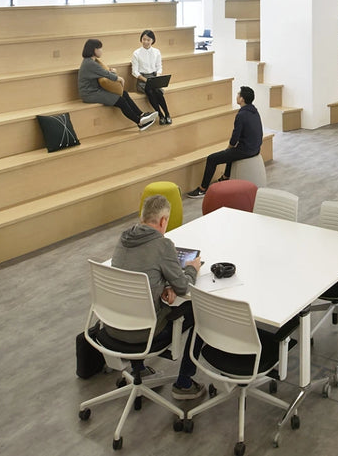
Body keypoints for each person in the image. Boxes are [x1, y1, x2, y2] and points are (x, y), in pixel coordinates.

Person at [109, 194, 205, 401]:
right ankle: (184, 383)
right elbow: (183, 287)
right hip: (143, 334)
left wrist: (163, 284)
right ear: (163, 221)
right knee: (200, 312)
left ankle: (139, 369)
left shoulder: (124, 239)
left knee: (135, 305)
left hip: (112, 326)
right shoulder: (163, 245)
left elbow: (140, 274)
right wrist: (192, 269)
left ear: (142, 216)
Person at [188, 86, 262, 197]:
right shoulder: (255, 111)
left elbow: (235, 138)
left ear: (242, 99)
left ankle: (202, 189)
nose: (237, 96)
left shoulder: (241, 115)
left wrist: (228, 147)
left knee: (212, 159)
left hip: (246, 150)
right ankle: (225, 177)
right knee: (231, 152)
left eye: (238, 94)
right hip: (256, 148)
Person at [78, 39, 157, 130]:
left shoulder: (92, 61)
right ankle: (139, 122)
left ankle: (141, 114)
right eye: (100, 48)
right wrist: (119, 78)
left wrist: (112, 72)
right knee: (121, 100)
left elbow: (104, 72)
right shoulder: (90, 63)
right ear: (94, 50)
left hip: (96, 90)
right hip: (89, 94)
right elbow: (106, 74)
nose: (101, 51)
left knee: (124, 93)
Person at [132, 29, 173, 125]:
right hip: (142, 80)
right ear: (141, 39)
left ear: (152, 41)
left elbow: (159, 67)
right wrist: (146, 80)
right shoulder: (136, 53)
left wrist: (157, 77)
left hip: (154, 77)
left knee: (158, 91)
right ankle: (161, 115)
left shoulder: (157, 52)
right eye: (144, 39)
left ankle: (167, 114)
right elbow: (134, 72)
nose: (146, 42)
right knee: (150, 91)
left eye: (148, 40)